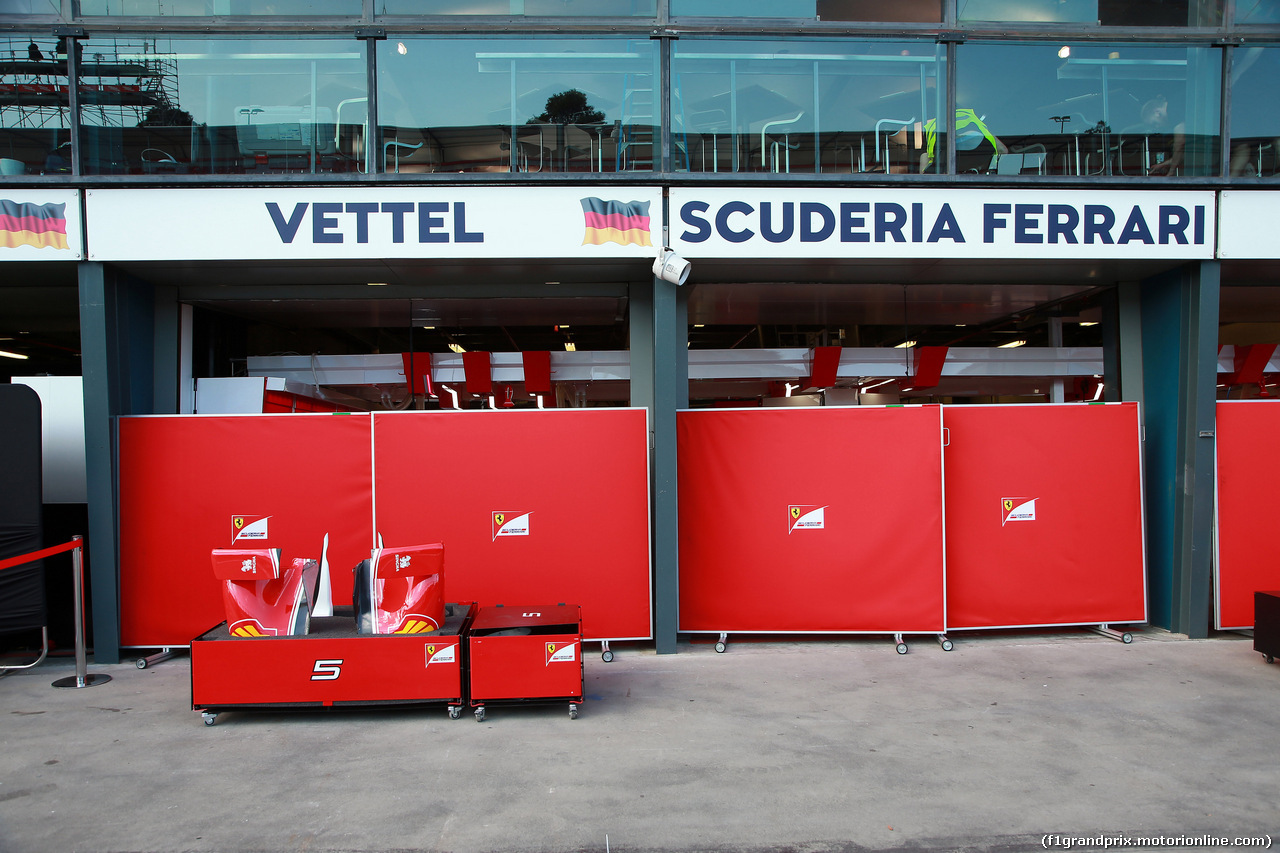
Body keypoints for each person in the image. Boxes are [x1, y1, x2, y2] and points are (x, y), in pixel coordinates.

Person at [919, 108, 1007, 173]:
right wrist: (990, 166)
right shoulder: (972, 119)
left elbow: (924, 159)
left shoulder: (930, 128)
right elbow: (1002, 150)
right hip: (981, 152)